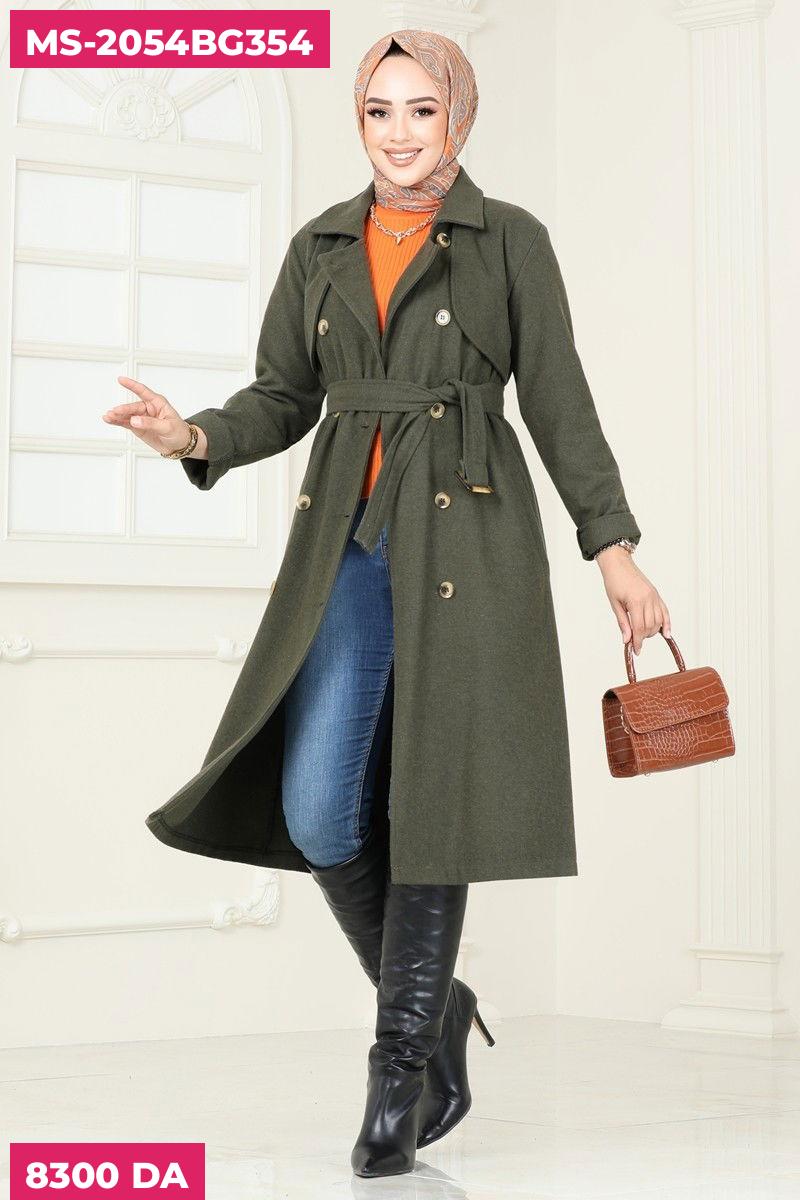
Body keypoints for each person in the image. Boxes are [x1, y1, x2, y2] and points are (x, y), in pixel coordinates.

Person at [103, 29, 671, 1181]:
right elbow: (282, 395)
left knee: (435, 799)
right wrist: (192, 435)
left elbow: (558, 400)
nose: (399, 133)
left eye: (421, 109)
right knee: (320, 810)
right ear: (357, 121)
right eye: (377, 110)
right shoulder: (320, 244)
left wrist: (610, 548)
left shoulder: (508, 240)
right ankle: (441, 1007)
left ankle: (397, 1069)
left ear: (456, 117)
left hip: (470, 537)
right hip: (348, 546)